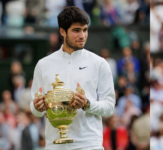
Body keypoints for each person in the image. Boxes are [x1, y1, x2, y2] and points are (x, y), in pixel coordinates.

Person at [30, 6, 115, 150]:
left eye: (85, 30)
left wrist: (87, 104)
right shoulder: (43, 64)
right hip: (54, 145)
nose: (82, 35)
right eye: (76, 30)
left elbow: (109, 107)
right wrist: (37, 107)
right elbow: (34, 108)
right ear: (62, 31)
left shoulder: (99, 63)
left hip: (89, 145)